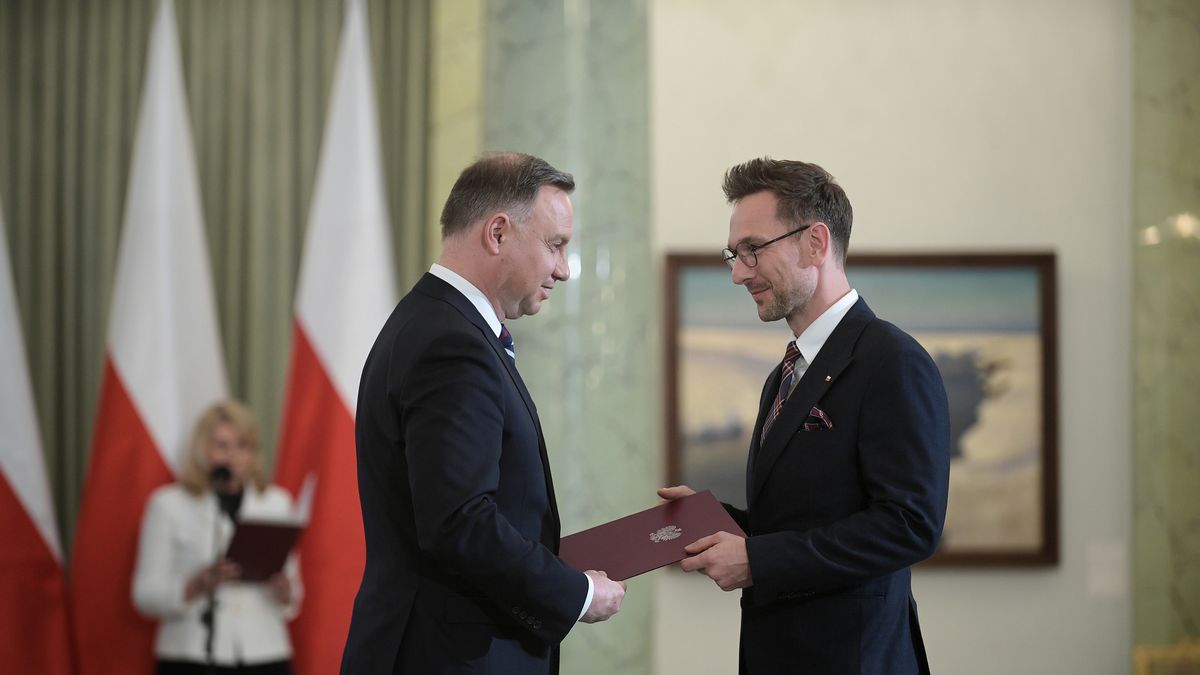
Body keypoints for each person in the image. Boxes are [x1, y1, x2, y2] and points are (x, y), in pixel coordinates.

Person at [659, 158, 950, 674]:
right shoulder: (786, 373)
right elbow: (804, 518)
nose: (737, 272)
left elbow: (909, 525)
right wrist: (712, 520)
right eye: (733, 253)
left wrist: (758, 561)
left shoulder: (892, 361)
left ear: (815, 243)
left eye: (752, 249)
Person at [341, 152, 626, 675]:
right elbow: (459, 522)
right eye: (556, 245)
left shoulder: (430, 322)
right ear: (498, 233)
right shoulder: (451, 343)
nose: (563, 269)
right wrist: (578, 593)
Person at [133, 400, 301, 675]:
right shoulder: (168, 504)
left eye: (242, 446)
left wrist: (284, 589)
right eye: (222, 446)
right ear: (203, 450)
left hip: (265, 654)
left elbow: (294, 596)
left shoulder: (276, 503)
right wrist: (196, 584)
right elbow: (144, 595)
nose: (232, 456)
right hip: (190, 655)